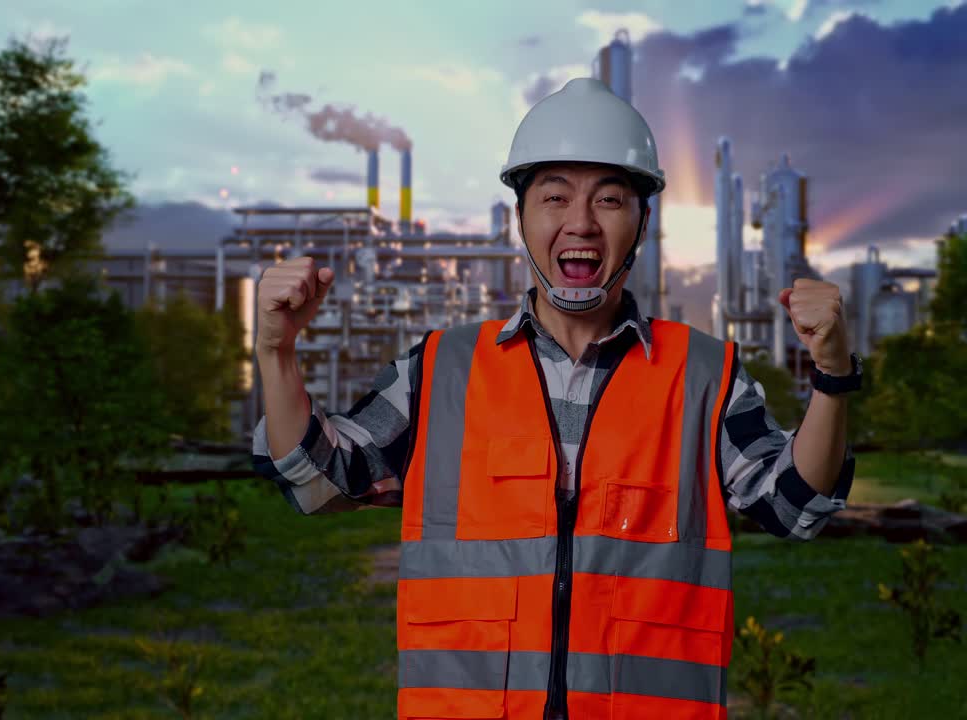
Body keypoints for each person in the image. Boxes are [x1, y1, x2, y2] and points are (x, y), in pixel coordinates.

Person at [252, 77, 859, 720]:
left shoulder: (704, 375)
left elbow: (798, 507)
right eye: (555, 196)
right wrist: (276, 353)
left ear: (642, 222)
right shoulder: (440, 372)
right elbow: (316, 482)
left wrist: (832, 376)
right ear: (521, 218)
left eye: (609, 199)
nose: (581, 223)